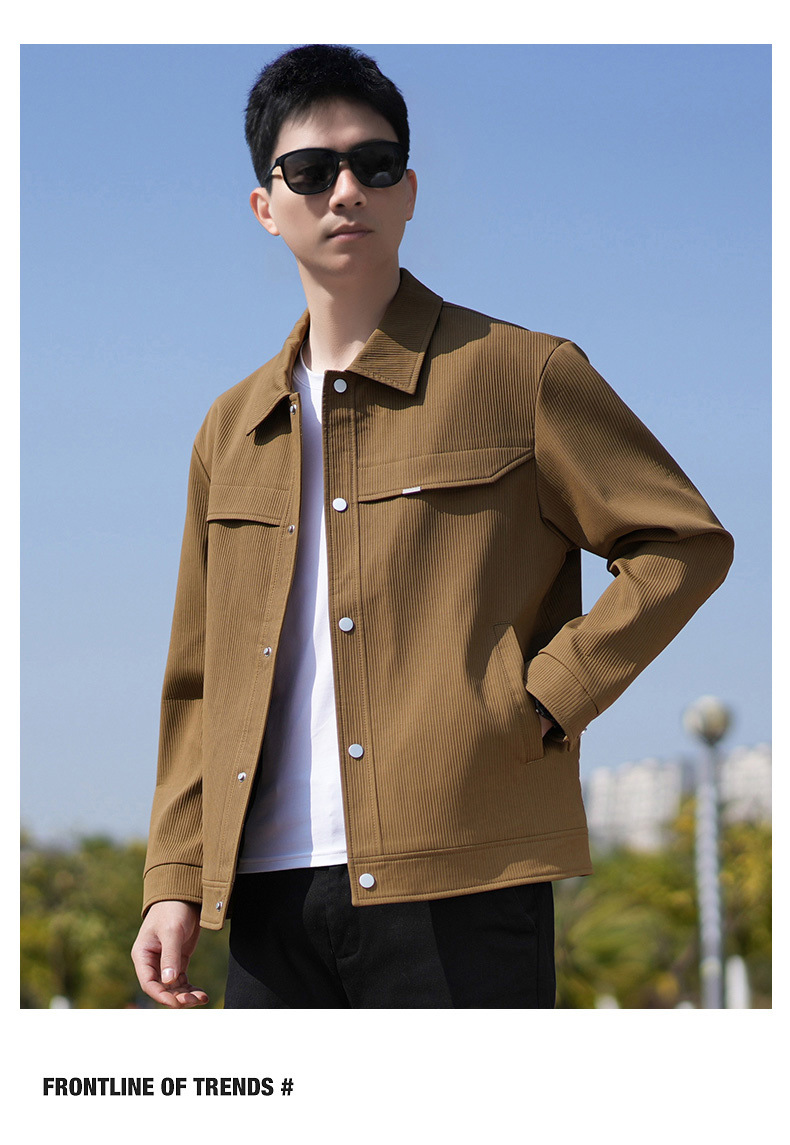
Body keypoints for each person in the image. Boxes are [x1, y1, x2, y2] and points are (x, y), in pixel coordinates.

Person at [131, 44, 734, 1009]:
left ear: (408, 192)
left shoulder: (523, 373)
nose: (346, 191)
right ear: (265, 205)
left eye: (374, 165)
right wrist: (174, 874)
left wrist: (543, 699)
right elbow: (198, 679)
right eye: (310, 170)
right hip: (268, 895)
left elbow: (682, 545)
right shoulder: (231, 428)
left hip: (463, 877)